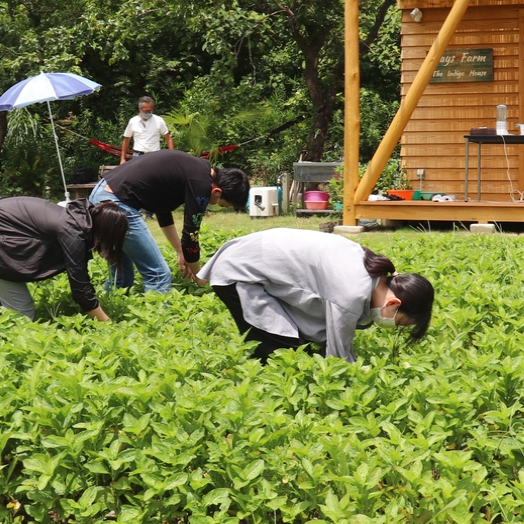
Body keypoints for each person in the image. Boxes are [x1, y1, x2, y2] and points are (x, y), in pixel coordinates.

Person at [196, 228, 433, 363]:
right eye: (398, 322)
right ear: (393, 303)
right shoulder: (353, 292)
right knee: (279, 353)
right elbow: (338, 359)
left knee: (302, 348)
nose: (389, 326)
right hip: (241, 271)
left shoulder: (373, 275)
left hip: (257, 264)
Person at [90, 148, 249, 292]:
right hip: (118, 204)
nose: (215, 205)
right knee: (158, 275)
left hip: (101, 194)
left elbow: (162, 211)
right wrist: (199, 276)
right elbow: (191, 237)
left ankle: (108, 317)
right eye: (220, 203)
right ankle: (156, 321)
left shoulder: (193, 170)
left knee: (121, 275)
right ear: (217, 191)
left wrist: (180, 250)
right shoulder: (201, 183)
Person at [0, 197, 129, 321]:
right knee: (21, 311)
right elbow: (81, 290)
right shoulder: (73, 232)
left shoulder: (79, 218)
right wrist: (107, 324)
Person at [119, 96, 174, 163]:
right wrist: (122, 158)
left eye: (150, 111)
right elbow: (126, 140)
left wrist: (172, 156)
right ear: (140, 109)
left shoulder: (159, 120)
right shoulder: (133, 121)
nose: (148, 113)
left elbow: (168, 138)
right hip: (138, 155)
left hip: (155, 155)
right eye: (146, 111)